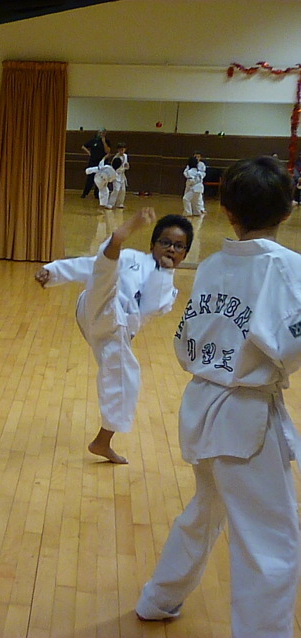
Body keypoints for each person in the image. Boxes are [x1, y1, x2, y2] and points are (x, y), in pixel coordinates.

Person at [137, 156, 301, 637]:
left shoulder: (211, 266)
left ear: (226, 210)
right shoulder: (289, 268)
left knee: (208, 508)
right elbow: (288, 346)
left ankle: (159, 597)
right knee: (270, 543)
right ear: (289, 209)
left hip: (202, 403)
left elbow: (187, 339)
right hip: (245, 417)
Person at [35, 209, 193, 464]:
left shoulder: (169, 292)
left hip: (114, 329)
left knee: (127, 378)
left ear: (185, 255)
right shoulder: (130, 257)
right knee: (106, 276)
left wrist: (164, 273)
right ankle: (116, 239)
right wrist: (52, 272)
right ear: (152, 245)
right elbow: (89, 266)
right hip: (95, 305)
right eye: (165, 242)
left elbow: (151, 305)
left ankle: (102, 442)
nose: (171, 249)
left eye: (178, 246)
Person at [80, 128, 111, 198]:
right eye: (100, 132)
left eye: (103, 133)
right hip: (93, 162)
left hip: (102, 163)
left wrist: (104, 142)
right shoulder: (93, 141)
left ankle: (97, 194)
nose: (101, 134)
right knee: (90, 178)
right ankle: (85, 193)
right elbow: (83, 146)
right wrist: (89, 153)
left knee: (100, 178)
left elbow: (107, 151)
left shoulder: (107, 141)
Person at [110, 142, 130, 209]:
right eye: (120, 149)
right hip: (116, 175)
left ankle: (120, 203)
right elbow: (114, 168)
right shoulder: (116, 158)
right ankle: (110, 203)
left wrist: (127, 166)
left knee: (123, 190)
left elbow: (126, 165)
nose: (122, 151)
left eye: (123, 149)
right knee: (116, 190)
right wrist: (123, 168)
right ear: (118, 150)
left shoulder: (125, 156)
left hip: (122, 176)